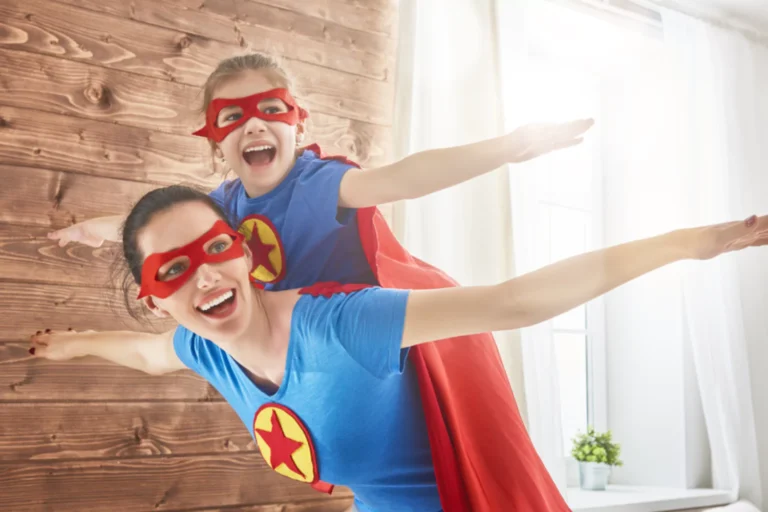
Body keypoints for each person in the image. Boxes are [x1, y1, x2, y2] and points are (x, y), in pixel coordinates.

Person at [43, 52, 593, 510]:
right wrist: (98, 230)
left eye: (270, 108)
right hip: (299, 363)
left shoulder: (320, 185)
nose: (254, 124)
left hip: (362, 341)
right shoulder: (221, 207)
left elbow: (405, 179)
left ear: (297, 122)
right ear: (216, 143)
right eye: (232, 116)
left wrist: (509, 148)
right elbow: (163, 240)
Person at [33, 185, 768, 511]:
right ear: (154, 295)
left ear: (246, 254)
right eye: (172, 269)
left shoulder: (343, 324)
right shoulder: (203, 351)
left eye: (214, 247)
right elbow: (142, 355)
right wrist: (63, 345)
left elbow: (514, 302)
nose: (203, 276)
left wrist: (680, 245)